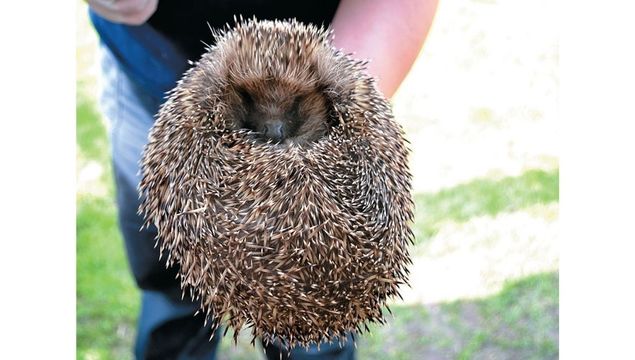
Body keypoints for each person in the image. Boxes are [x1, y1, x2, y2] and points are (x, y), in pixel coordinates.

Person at [87, 0, 438, 359]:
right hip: (150, 61)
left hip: (338, 48)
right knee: (171, 272)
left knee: (312, 286)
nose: (272, 127)